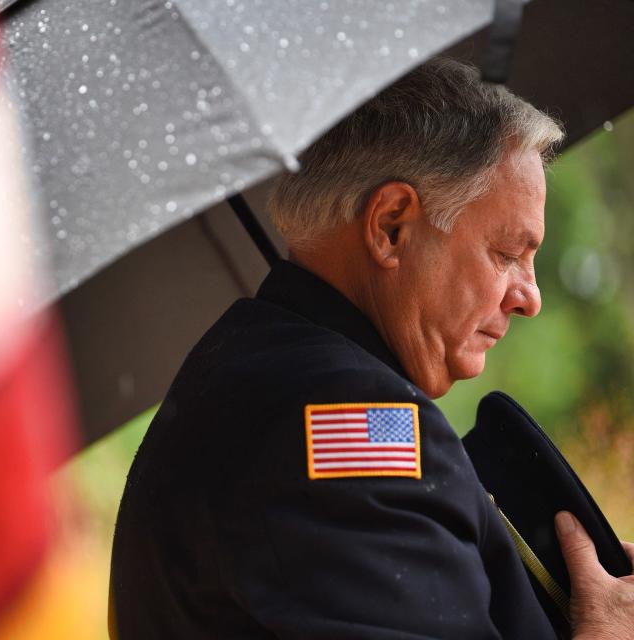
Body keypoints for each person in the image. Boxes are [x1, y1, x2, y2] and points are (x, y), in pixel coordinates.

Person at [109, 58, 634, 638]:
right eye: (509, 252)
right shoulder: (349, 431)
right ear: (390, 227)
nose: (530, 297)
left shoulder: (249, 379)